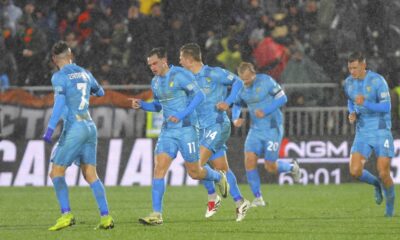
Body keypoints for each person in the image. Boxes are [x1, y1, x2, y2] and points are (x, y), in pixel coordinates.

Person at [130, 47, 229, 225]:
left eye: (154, 63)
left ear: (163, 61)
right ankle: (156, 214)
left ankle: (218, 177)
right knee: (159, 169)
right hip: (168, 131)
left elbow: (199, 96)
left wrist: (182, 114)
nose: (152, 67)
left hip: (187, 129)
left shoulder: (180, 75)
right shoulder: (155, 82)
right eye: (149, 65)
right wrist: (143, 105)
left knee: (195, 172)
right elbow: (158, 107)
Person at [43, 41, 114, 231]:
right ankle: (106, 217)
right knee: (90, 174)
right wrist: (86, 88)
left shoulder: (58, 77)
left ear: (54, 60)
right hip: (90, 127)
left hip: (74, 127)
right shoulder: (85, 73)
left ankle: (66, 215)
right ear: (71, 54)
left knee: (56, 172)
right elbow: (101, 92)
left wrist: (50, 129)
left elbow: (58, 105)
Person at [179, 43, 250, 222]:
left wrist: (228, 102)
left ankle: (213, 196)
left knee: (194, 167)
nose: (179, 61)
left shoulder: (213, 73)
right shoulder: (186, 78)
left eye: (181, 58)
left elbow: (238, 82)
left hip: (217, 125)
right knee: (221, 168)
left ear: (189, 59)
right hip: (201, 128)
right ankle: (240, 202)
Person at [232, 62, 300, 207]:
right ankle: (258, 198)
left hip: (272, 128)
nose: (246, 82)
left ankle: (291, 167)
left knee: (271, 167)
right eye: (243, 79)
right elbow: (237, 104)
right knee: (249, 161)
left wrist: (266, 111)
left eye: (248, 79)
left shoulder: (266, 81)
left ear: (253, 74)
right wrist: (235, 118)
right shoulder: (240, 87)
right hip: (255, 130)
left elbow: (282, 98)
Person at [344, 52, 395, 217]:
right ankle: (376, 185)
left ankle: (389, 210)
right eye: (350, 68)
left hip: (381, 131)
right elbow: (351, 100)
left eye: (355, 68)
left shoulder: (377, 81)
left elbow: (386, 107)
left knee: (383, 172)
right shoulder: (348, 82)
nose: (352, 71)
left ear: (364, 65)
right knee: (355, 171)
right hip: (362, 132)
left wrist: (365, 103)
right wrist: (352, 112)